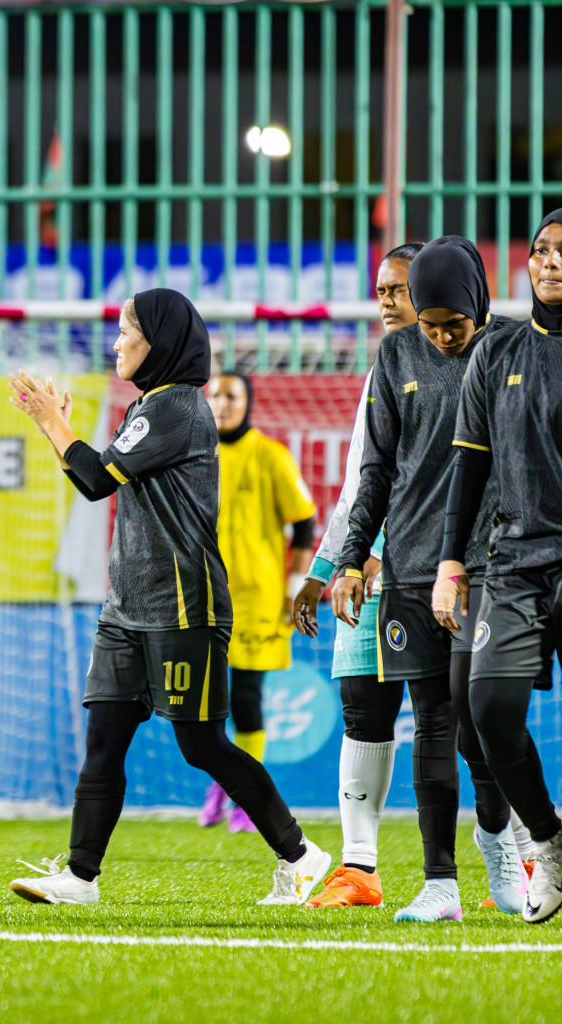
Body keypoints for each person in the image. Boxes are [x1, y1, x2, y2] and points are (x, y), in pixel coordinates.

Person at [3, 288, 330, 907]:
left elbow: (96, 477)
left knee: (202, 744)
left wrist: (54, 422)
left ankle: (302, 853)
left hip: (184, 603)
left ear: (162, 340)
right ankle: (79, 877)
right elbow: (94, 475)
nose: (118, 340)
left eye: (128, 328)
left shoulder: (177, 407)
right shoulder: (148, 406)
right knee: (104, 738)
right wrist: (60, 431)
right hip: (126, 605)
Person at [332, 236, 524, 923]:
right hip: (412, 566)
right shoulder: (396, 354)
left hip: (493, 565)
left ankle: (501, 845)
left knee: (483, 723)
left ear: (478, 306)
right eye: (431, 325)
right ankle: (440, 883)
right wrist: (354, 555)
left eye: (454, 326)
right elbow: (376, 469)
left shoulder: (515, 348)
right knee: (433, 723)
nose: (441, 338)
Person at [434, 208, 562, 924]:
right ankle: (549, 840)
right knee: (486, 710)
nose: (549, 263)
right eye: (541, 251)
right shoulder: (498, 351)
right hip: (513, 561)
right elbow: (470, 464)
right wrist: (452, 559)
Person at [291, 242, 420, 909]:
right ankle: (360, 869)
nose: (386, 303)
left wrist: (382, 552)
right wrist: (324, 566)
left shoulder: (467, 365)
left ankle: (519, 862)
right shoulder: (381, 368)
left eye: (397, 289)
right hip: (364, 568)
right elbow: (359, 485)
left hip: (431, 569)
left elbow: (444, 478)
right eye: (380, 291)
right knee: (362, 709)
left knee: (462, 717)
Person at [200, 371, 317, 832]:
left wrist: (295, 587)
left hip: (258, 600)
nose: (222, 404)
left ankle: (247, 799)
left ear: (246, 403)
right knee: (206, 700)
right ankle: (222, 784)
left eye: (231, 396)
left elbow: (304, 521)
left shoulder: (271, 456)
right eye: (214, 396)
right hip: (204, 595)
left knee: (246, 697)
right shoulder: (197, 456)